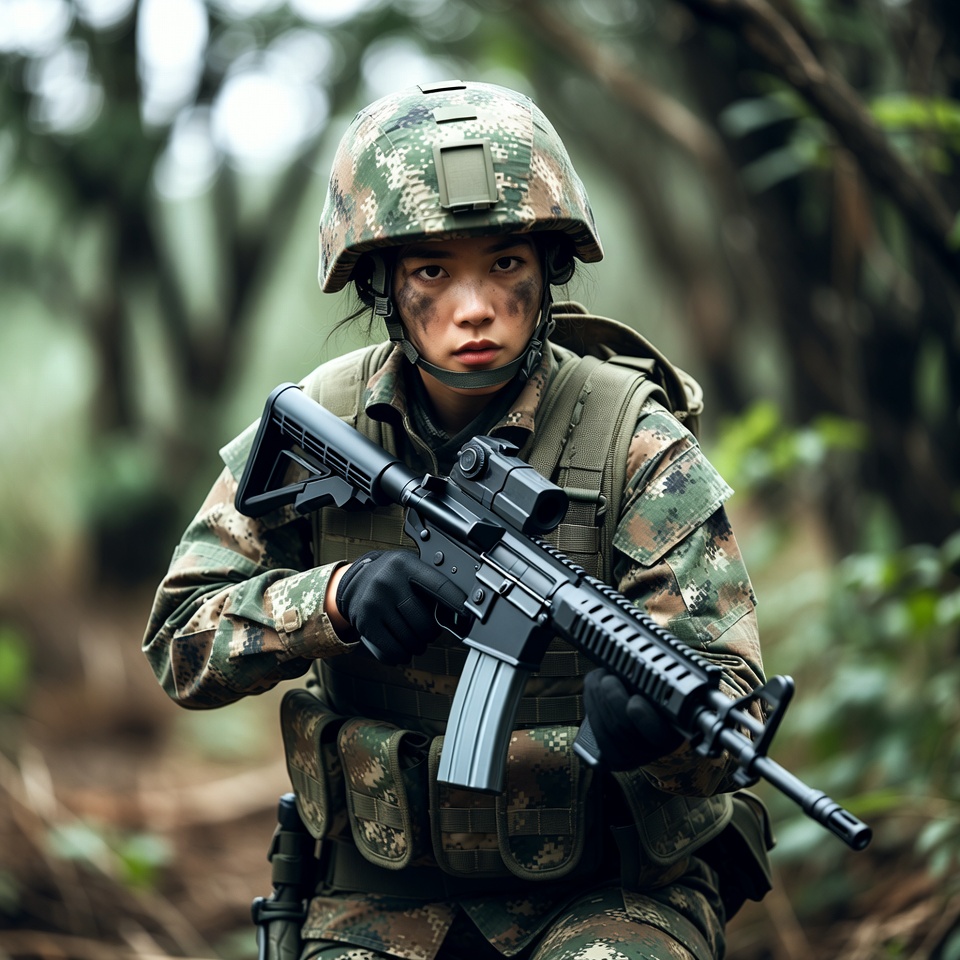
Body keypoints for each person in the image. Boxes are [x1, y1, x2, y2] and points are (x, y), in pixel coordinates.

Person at [144, 80, 772, 960]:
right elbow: (179, 642)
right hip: (378, 887)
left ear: (549, 266)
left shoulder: (634, 437)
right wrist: (333, 600)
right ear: (382, 284)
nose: (473, 306)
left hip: (610, 886)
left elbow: (731, 711)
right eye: (433, 271)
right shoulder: (324, 425)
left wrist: (660, 733)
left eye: (505, 263)